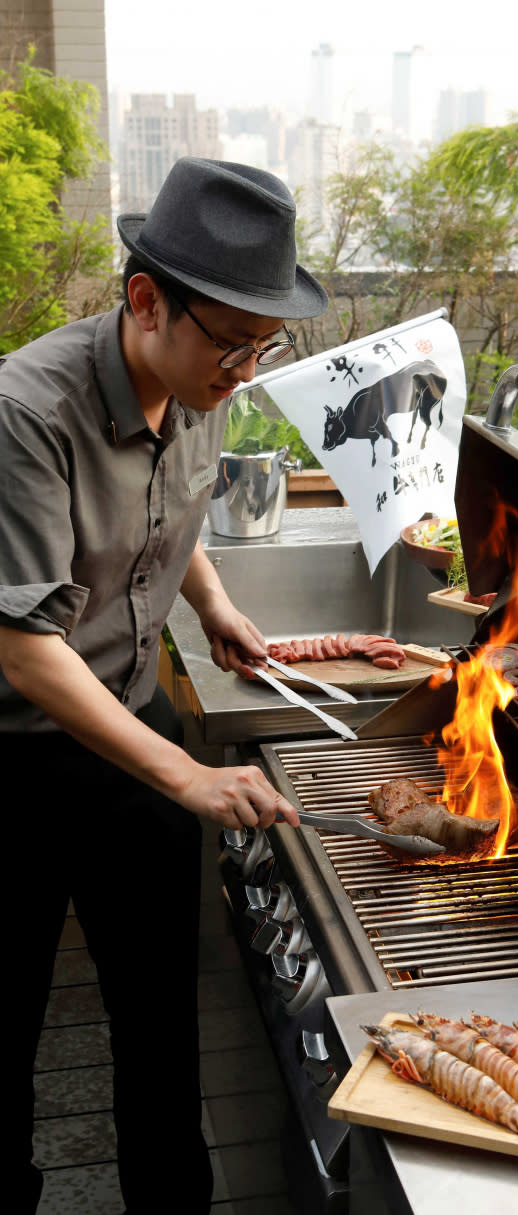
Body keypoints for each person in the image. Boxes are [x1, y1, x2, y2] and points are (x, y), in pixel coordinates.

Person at [0, 158, 329, 1214]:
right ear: (146, 301)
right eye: (230, 342)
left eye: (261, 346)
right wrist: (186, 775)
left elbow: (171, 512)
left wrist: (216, 604)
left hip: (130, 731)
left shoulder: (202, 385)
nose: (243, 370)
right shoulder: (23, 413)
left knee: (159, 1029)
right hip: (16, 752)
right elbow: (20, 644)